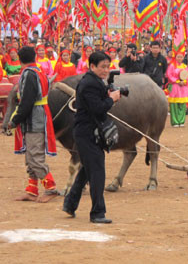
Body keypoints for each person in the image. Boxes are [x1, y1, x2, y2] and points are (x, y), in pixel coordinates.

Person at [63, 52, 121, 223]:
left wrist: (109, 95)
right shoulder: (90, 84)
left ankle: (70, 203)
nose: (105, 70)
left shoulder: (94, 81)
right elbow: (98, 108)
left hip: (88, 132)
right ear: (92, 66)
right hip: (87, 133)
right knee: (97, 172)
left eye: (107, 66)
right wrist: (112, 99)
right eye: (102, 67)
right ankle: (97, 213)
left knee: (87, 170)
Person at [8, 46, 58, 203]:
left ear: (20, 60)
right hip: (36, 116)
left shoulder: (29, 74)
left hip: (34, 118)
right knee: (31, 155)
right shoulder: (38, 70)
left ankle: (50, 188)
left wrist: (14, 120)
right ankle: (32, 189)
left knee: (35, 156)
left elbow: (27, 101)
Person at [166, 51, 188, 127]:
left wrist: (185, 81)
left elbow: (187, 77)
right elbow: (169, 75)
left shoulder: (185, 66)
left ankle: (181, 120)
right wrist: (177, 81)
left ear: (183, 58)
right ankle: (175, 121)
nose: (179, 58)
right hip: (175, 87)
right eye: (178, 57)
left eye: (181, 57)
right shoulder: (172, 65)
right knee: (174, 105)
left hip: (183, 87)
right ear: (175, 57)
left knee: (182, 105)